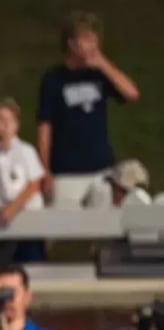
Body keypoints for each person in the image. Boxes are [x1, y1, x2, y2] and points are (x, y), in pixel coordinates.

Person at [37, 11, 140, 209]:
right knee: (63, 232)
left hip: (101, 171)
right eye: (87, 40)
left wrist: (103, 64)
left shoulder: (100, 75)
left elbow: (132, 94)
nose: (93, 45)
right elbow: (44, 126)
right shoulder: (53, 79)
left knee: (102, 233)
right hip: (65, 172)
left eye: (95, 40)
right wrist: (45, 170)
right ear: (72, 44)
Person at [0, 98, 46, 264]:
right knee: (6, 265)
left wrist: (12, 209)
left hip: (29, 219)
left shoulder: (26, 151)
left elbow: (34, 185)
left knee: (32, 263)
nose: (4, 125)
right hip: (2, 222)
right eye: (0, 120)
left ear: (16, 125)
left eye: (9, 120)